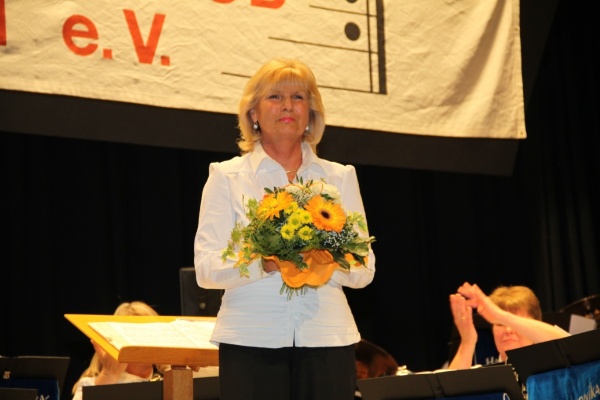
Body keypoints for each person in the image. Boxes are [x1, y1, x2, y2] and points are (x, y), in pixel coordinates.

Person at [194, 58, 376, 400]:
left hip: (327, 337)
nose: (288, 105)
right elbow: (206, 270)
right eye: (275, 97)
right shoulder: (226, 177)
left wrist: (320, 258)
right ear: (253, 113)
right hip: (250, 338)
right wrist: (266, 262)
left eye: (298, 97)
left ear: (311, 113)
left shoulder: (340, 177)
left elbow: (364, 270)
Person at [448, 282, 570, 370]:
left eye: (515, 322)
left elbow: (570, 345)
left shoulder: (555, 366)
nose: (508, 330)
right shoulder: (484, 375)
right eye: (500, 324)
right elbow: (450, 389)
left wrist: (502, 316)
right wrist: (467, 342)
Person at [71, 301, 167, 400]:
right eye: (138, 334)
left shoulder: (169, 380)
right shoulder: (90, 385)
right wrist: (109, 375)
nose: (148, 341)